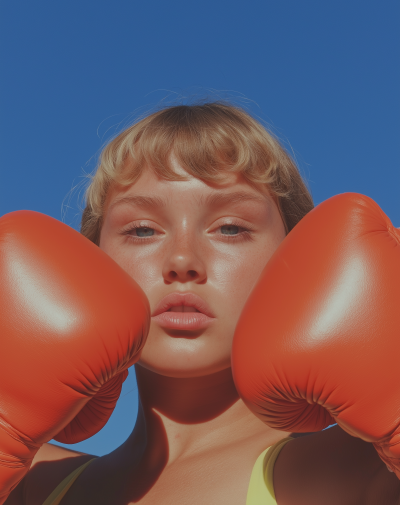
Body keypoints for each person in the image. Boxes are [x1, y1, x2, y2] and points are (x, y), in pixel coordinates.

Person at [5, 103, 400, 505]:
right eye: (142, 230)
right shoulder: (29, 482)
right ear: (88, 261)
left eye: (230, 228)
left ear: (296, 260)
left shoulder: (357, 477)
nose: (182, 261)